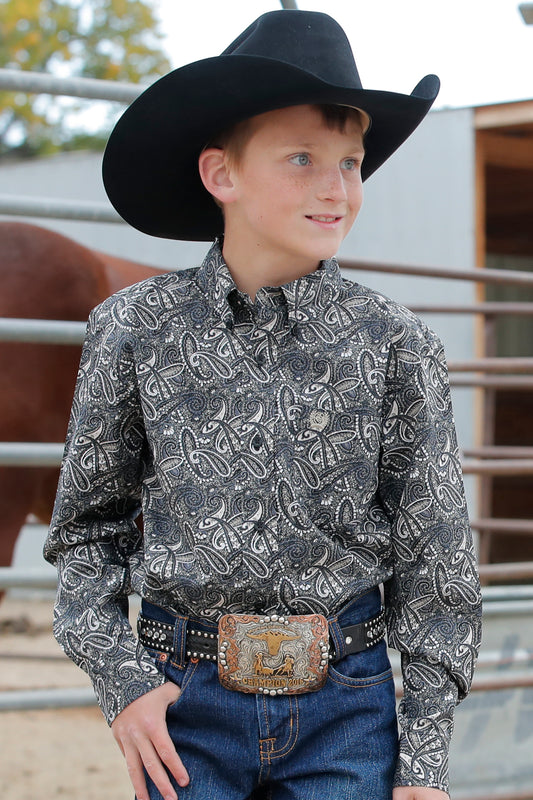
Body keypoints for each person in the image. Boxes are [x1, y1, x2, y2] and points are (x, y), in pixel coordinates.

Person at [44, 10, 482, 800]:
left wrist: (420, 763)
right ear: (221, 175)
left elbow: (436, 563)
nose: (336, 187)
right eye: (302, 158)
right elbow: (84, 532)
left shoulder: (394, 343)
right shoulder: (134, 330)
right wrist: (124, 684)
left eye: (350, 162)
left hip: (348, 712)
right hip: (184, 711)